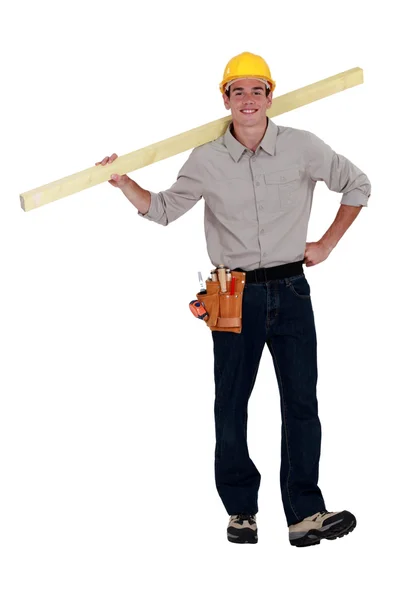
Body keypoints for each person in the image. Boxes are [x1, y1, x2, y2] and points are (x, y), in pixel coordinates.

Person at [95, 51, 371, 548]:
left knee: (302, 404)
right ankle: (241, 511)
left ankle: (305, 515)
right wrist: (123, 182)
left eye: (257, 90)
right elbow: (161, 210)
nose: (248, 100)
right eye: (237, 91)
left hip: (291, 291)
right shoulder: (206, 158)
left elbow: (358, 185)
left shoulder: (302, 147)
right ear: (225, 99)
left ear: (270, 96)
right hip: (232, 295)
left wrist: (326, 243)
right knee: (231, 406)